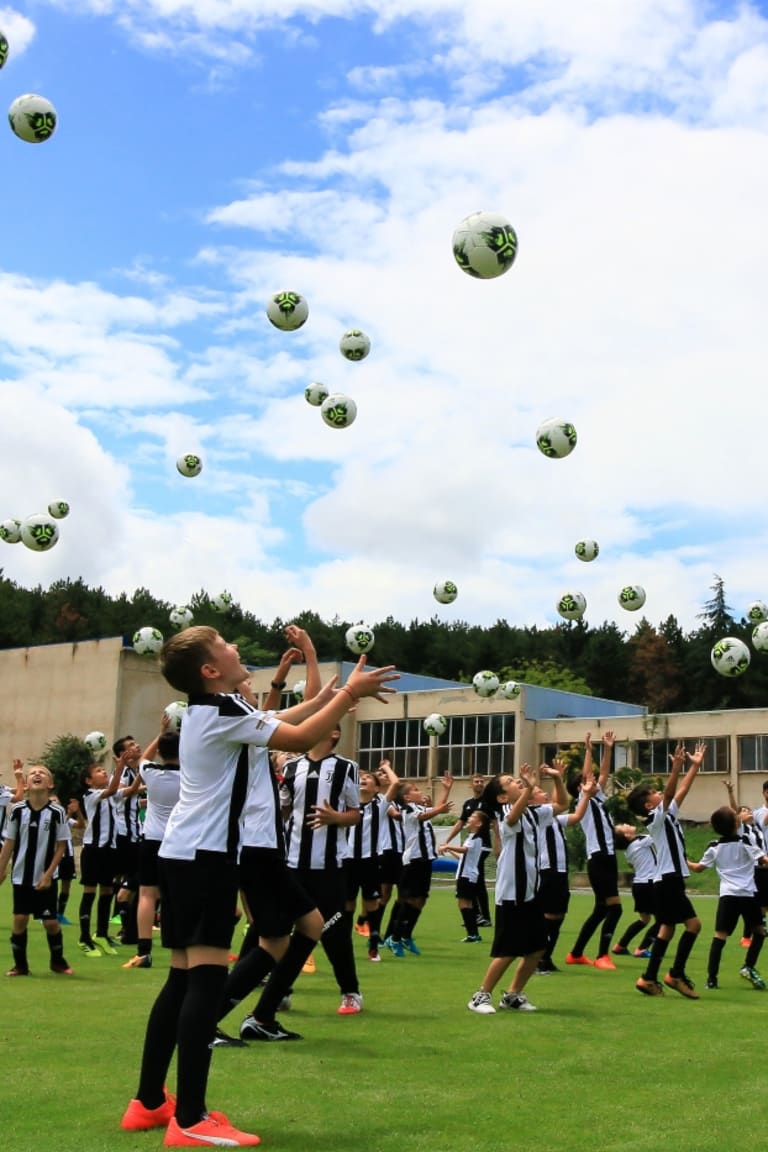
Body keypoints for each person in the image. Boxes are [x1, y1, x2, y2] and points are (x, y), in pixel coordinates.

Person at [120, 626, 398, 1148]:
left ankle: (150, 1103)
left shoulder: (221, 709)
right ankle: (192, 1120)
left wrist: (337, 691)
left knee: (181, 983)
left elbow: (289, 719)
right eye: (225, 645)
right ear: (209, 669)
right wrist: (347, 696)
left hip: (187, 854)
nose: (236, 648)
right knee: (202, 983)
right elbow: (298, 739)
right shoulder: (220, 710)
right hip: (204, 858)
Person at [277, 723, 364, 1015]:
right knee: (285, 930)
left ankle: (350, 992)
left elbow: (355, 815)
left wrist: (334, 817)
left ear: (334, 733)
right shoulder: (290, 767)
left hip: (330, 866)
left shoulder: (346, 768)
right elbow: (284, 809)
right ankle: (281, 992)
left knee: (334, 930)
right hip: (293, 864)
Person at [467, 764, 556, 1014]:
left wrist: (556, 779)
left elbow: (561, 806)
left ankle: (512, 995)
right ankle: (480, 996)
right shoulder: (506, 812)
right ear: (502, 797)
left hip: (529, 892)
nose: (518, 781)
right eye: (511, 781)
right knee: (507, 950)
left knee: (538, 947)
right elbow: (512, 818)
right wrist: (528, 788)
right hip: (511, 893)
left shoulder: (530, 812)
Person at [627, 740, 707, 998]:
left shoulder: (666, 813)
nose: (659, 792)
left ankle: (648, 978)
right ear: (649, 805)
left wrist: (693, 767)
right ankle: (676, 974)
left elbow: (681, 790)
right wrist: (676, 767)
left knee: (667, 928)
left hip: (667, 880)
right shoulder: (655, 818)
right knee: (693, 925)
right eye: (654, 793)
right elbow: (672, 792)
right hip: (668, 880)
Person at [0, 764, 73, 976]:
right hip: (21, 876)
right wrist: (1, 868)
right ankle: (20, 966)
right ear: (26, 783)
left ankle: (57, 961)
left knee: (50, 922)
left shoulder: (57, 812)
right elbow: (9, 844)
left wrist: (49, 875)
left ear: (50, 784)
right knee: (20, 919)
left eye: (42, 773)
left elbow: (61, 846)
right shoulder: (17, 811)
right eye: (32, 773)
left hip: (46, 877)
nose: (37, 774)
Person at [687, 805, 768, 990]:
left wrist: (686, 862)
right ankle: (748, 966)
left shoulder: (714, 846)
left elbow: (699, 868)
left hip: (727, 897)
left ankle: (711, 979)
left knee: (720, 936)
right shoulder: (745, 841)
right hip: (747, 894)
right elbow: (764, 860)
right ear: (736, 822)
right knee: (760, 932)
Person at [122, 721, 181, 970]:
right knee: (177, 895)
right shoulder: (192, 776)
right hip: (180, 842)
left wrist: (160, 733)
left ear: (160, 751)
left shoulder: (151, 772)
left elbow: (144, 757)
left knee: (147, 894)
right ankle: (182, 947)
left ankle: (144, 952)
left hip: (152, 840)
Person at [565, 731, 623, 970]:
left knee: (601, 909)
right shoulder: (583, 800)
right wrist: (589, 750)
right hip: (599, 859)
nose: (593, 781)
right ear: (580, 787)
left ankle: (576, 953)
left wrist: (608, 749)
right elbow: (589, 775)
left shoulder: (598, 798)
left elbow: (604, 773)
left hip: (607, 857)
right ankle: (602, 956)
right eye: (586, 781)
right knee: (615, 908)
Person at [536, 759, 596, 972]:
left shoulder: (554, 819)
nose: (544, 795)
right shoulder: (537, 818)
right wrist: (556, 778)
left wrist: (586, 794)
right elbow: (558, 804)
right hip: (548, 871)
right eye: (540, 793)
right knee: (549, 917)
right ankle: (537, 958)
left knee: (558, 917)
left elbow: (577, 815)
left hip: (560, 872)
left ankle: (545, 957)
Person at [385, 771, 453, 957]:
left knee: (420, 900)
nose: (419, 791)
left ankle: (406, 936)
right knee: (407, 900)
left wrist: (446, 790)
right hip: (413, 861)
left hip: (425, 860)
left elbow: (435, 809)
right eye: (415, 790)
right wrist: (438, 810)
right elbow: (425, 816)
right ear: (407, 797)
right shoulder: (408, 810)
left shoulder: (420, 808)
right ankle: (395, 938)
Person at [78, 750, 138, 956]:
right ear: (88, 781)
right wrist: (120, 766)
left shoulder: (111, 796)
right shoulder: (91, 795)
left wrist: (142, 771)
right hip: (94, 850)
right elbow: (114, 789)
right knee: (89, 892)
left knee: (106, 892)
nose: (103, 772)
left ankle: (101, 934)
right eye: (99, 771)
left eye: (104, 770)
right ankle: (84, 938)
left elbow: (131, 790)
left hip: (110, 850)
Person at [441, 774, 492, 926]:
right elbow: (460, 823)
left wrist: (498, 842)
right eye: (476, 781)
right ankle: (475, 915)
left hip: (482, 846)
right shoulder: (468, 804)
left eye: (482, 781)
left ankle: (483, 916)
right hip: (472, 845)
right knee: (474, 880)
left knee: (476, 879)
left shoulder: (488, 802)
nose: (479, 784)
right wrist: (447, 840)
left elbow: (495, 822)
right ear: (471, 784)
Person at [438, 808, 490, 941]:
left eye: (473, 816)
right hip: (468, 874)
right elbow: (464, 856)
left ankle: (472, 934)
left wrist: (447, 846)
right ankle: (473, 934)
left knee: (463, 903)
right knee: (467, 903)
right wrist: (450, 851)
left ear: (479, 824)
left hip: (466, 875)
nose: (469, 818)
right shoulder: (472, 837)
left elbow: (465, 850)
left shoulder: (477, 838)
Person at [610, 824, 659, 958]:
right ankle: (642, 949)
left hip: (638, 885)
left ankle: (620, 946)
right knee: (663, 920)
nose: (625, 824)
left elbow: (631, 865)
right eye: (623, 827)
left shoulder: (628, 850)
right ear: (627, 835)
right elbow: (660, 834)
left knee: (644, 919)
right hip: (649, 884)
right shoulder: (642, 840)